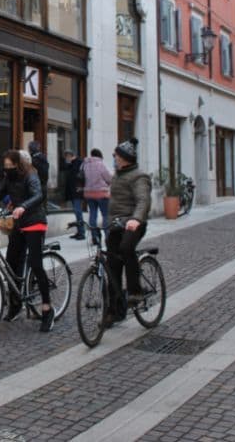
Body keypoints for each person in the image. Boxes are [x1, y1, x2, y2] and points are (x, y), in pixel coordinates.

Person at [0, 149, 55, 332]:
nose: (7, 169)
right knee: (11, 264)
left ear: (18, 164)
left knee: (35, 263)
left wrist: (23, 207)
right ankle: (16, 305)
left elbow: (37, 195)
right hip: (19, 224)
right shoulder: (8, 178)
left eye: (10, 166)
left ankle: (47, 308)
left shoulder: (30, 175)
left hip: (34, 222)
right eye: (5, 166)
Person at [104, 138, 151, 327]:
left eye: (116, 156)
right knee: (112, 265)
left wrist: (136, 219)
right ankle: (114, 310)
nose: (114, 158)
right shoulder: (117, 175)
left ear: (125, 159)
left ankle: (135, 291)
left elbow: (143, 200)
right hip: (116, 224)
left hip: (133, 223)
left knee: (126, 248)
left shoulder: (139, 176)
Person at [81, 148, 112, 246]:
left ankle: (94, 237)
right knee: (105, 215)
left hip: (89, 194)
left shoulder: (84, 164)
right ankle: (107, 237)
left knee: (92, 215)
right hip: (101, 193)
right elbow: (108, 178)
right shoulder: (100, 164)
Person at [62, 149, 86, 240]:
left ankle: (81, 232)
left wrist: (81, 188)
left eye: (66, 157)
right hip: (73, 192)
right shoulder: (71, 164)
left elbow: (81, 177)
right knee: (77, 212)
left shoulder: (79, 163)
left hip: (77, 192)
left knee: (78, 211)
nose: (66, 159)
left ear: (69, 156)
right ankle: (79, 231)